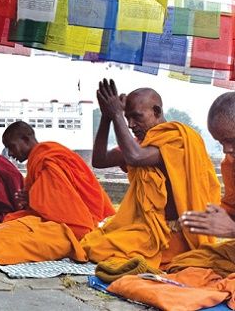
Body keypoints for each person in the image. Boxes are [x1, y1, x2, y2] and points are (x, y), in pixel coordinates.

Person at [81, 79, 220, 274]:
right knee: (93, 243)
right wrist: (107, 117)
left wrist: (117, 115)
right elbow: (100, 160)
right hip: (147, 229)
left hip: (176, 235)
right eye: (127, 118)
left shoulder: (177, 139)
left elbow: (135, 157)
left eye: (137, 117)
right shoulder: (141, 143)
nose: (130, 124)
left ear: (157, 112)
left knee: (97, 248)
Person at [2, 121, 115, 239]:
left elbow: (63, 202)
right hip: (76, 213)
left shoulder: (48, 159)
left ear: (25, 139)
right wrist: (31, 200)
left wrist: (32, 199)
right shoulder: (42, 157)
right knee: (10, 221)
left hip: (80, 219)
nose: (10, 153)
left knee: (11, 226)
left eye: (11, 147)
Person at [167, 92, 235, 277]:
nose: (226, 149)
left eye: (231, 140)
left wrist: (232, 229)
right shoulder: (231, 164)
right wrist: (207, 219)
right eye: (221, 142)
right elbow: (231, 211)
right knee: (185, 263)